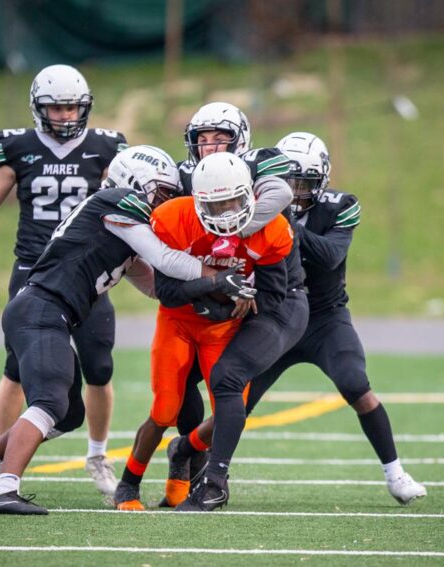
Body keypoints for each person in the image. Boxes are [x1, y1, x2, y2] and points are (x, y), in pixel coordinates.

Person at [0, 145, 226, 515]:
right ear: (135, 182)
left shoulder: (121, 231)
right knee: (49, 401)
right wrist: (217, 275)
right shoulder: (115, 201)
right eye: (161, 193)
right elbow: (165, 259)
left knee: (68, 413)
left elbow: (157, 286)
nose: (165, 203)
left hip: (50, 312)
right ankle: (4, 489)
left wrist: (209, 297)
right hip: (43, 307)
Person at [166, 132, 427, 507]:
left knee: (356, 384)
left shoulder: (335, 207)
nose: (296, 191)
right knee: (237, 400)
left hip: (324, 317)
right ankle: (187, 449)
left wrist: (284, 218)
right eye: (288, 183)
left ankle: (396, 473)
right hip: (274, 313)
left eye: (305, 184)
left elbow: (330, 256)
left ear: (322, 180)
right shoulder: (251, 209)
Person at [0, 64, 127, 496]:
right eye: (57, 107)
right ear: (38, 108)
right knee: (17, 370)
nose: (65, 115)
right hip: (33, 271)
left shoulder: (105, 148)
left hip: (85, 274)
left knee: (99, 368)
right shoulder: (18, 147)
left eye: (71, 107)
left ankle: (97, 455)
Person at [113, 151, 301, 511]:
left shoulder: (272, 228)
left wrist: (247, 297)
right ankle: (128, 483)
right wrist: (215, 287)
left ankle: (184, 458)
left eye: (234, 201)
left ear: (250, 195)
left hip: (225, 329)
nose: (228, 212)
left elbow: (275, 295)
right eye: (217, 205)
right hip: (179, 321)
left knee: (231, 412)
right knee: (165, 409)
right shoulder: (173, 218)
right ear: (199, 203)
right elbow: (166, 292)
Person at [169, 101, 296, 483]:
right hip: (208, 285)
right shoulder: (184, 175)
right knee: (178, 387)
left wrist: (229, 227)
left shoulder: (261, 162)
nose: (210, 146)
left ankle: (207, 469)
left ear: (239, 141)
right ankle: (192, 453)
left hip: (261, 283)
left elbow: (281, 195)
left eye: (220, 139)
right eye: (202, 140)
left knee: (232, 386)